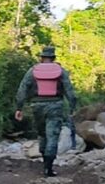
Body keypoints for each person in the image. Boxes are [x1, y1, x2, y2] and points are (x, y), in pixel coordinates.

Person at [15, 46, 76, 177]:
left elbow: (22, 90)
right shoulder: (61, 71)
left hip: (36, 106)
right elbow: (70, 92)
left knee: (42, 135)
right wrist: (72, 108)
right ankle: (48, 168)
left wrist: (19, 108)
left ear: (41, 58)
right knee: (52, 136)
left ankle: (44, 163)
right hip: (55, 106)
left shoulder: (32, 71)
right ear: (53, 58)